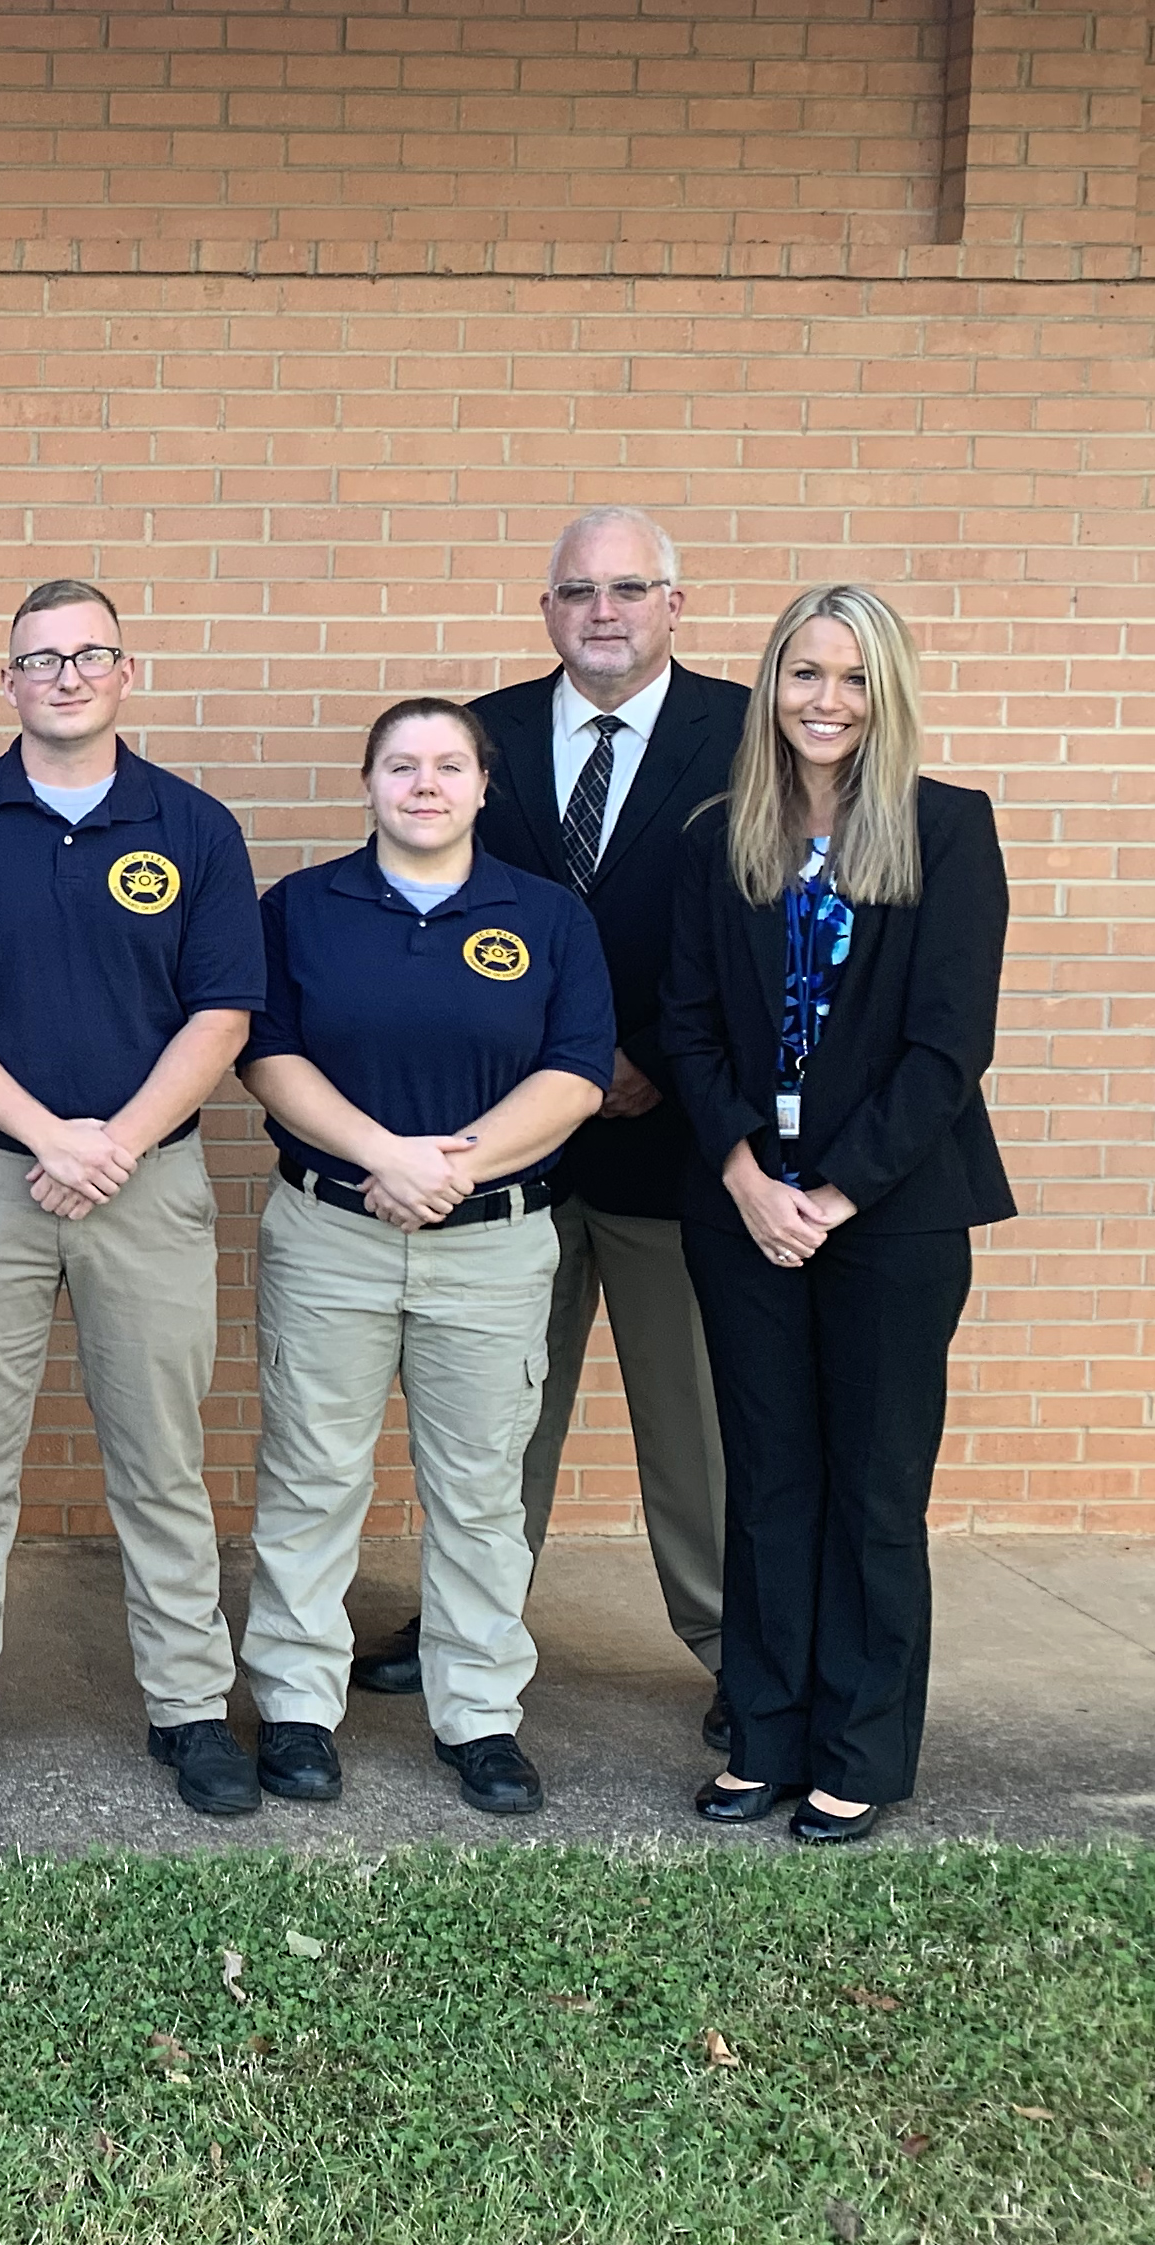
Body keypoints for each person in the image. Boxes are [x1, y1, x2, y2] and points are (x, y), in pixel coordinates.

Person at [0, 579, 266, 1815]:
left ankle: (190, 1707)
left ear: (126, 673)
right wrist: (51, 1135)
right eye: (40, 660)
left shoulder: (194, 828)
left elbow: (222, 1013)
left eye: (89, 655)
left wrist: (117, 1142)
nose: (67, 676)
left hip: (150, 1179)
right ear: (8, 684)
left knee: (159, 1456)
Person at [356, 507, 748, 1759]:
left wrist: (659, 1068)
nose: (603, 611)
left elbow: (760, 937)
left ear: (674, 603)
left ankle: (737, 1640)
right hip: (499, 1149)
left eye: (629, 587)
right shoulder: (486, 737)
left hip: (670, 1138)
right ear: (546, 611)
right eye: (576, 590)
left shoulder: (745, 735)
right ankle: (471, 1623)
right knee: (494, 1416)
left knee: (689, 1418)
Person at [663, 585, 1010, 1845]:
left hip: (894, 1211)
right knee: (765, 1479)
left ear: (888, 693)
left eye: (853, 679)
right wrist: (749, 1176)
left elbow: (946, 1047)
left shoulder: (948, 829)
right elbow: (687, 1028)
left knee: (870, 1487)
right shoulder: (721, 838)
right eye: (804, 674)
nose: (826, 701)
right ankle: (762, 1733)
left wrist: (836, 1190)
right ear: (770, 687)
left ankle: (857, 1749)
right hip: (745, 1207)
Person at [238, 699, 612, 1815]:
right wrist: (381, 1155)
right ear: (367, 783)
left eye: (449, 765)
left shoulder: (544, 917)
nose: (424, 785)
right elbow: (265, 1052)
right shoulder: (301, 907)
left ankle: (479, 1716)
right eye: (400, 765)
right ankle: (298, 1709)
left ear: (484, 787)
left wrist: (454, 1166)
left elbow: (576, 1070)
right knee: (311, 1477)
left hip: (493, 1246)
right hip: (330, 1231)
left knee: (482, 1491)